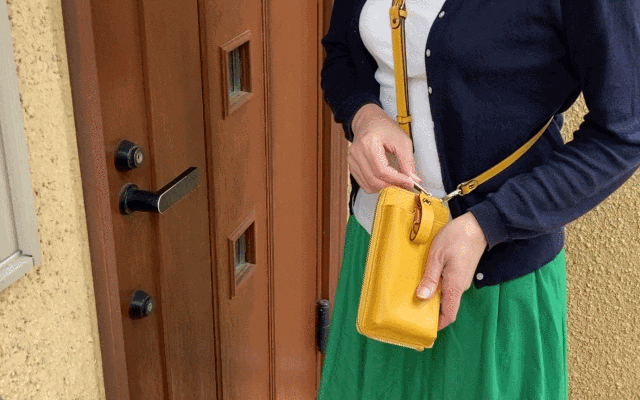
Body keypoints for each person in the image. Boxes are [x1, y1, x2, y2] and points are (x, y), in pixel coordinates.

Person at [317, 0, 640, 399]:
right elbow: (342, 55)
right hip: (379, 253)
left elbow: (624, 133)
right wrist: (365, 117)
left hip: (493, 275)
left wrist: (489, 223)